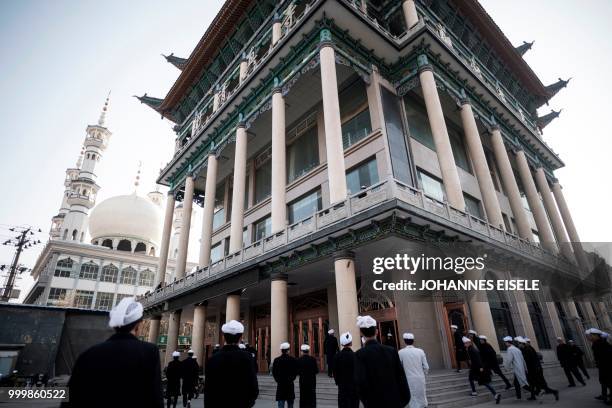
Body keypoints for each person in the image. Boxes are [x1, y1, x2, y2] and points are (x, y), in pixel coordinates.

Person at [62, 297, 163, 408]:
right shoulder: (149, 352)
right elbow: (155, 398)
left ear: (114, 326)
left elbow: (71, 398)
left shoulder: (89, 354)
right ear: (138, 324)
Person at [354, 315, 410, 408]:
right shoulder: (391, 351)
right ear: (377, 331)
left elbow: (360, 384)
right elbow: (401, 378)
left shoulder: (359, 355)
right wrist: (402, 401)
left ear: (361, 333)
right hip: (395, 402)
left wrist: (368, 403)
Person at [204, 320, 259, 408]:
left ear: (223, 337)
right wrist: (248, 403)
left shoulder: (213, 359)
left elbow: (208, 390)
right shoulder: (247, 357)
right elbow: (254, 388)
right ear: (241, 338)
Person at [517, 336, 559, 401]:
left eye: (519, 344)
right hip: (533, 370)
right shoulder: (527, 349)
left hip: (534, 371)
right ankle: (533, 396)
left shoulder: (528, 350)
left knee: (540, 385)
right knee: (532, 384)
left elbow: (528, 361)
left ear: (522, 344)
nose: (518, 345)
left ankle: (554, 392)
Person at [464, 336, 501, 404]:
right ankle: (495, 395)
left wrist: (480, 367)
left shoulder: (472, 349)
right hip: (476, 368)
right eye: (464, 343)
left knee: (483, 382)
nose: (465, 344)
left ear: (469, 343)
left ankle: (494, 394)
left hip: (476, 369)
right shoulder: (470, 349)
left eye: (466, 343)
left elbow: (477, 359)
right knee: (477, 380)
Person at [398, 333, 429, 408]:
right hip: (420, 378)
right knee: (422, 397)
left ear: (404, 341)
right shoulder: (420, 351)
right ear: (413, 341)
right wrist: (423, 375)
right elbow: (426, 367)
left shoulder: (400, 352)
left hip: (408, 379)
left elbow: (399, 368)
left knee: (411, 399)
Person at [586, 328, 612, 405]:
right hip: (603, 367)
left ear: (594, 336)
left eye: (588, 336)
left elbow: (606, 357)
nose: (587, 338)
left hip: (607, 367)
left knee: (608, 382)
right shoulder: (597, 343)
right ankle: (604, 395)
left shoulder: (601, 344)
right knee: (604, 382)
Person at [333, 332, 358, 408]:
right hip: (353, 387)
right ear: (350, 343)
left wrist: (338, 381)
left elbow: (335, 371)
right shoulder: (355, 356)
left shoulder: (337, 356)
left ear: (342, 344)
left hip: (342, 386)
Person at [273, 342, 299, 408]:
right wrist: (292, 379)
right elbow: (295, 372)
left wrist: (278, 380)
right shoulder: (293, 360)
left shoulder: (276, 360)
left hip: (281, 385)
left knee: (281, 404)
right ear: (288, 350)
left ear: (281, 350)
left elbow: (274, 372)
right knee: (290, 404)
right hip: (289, 384)